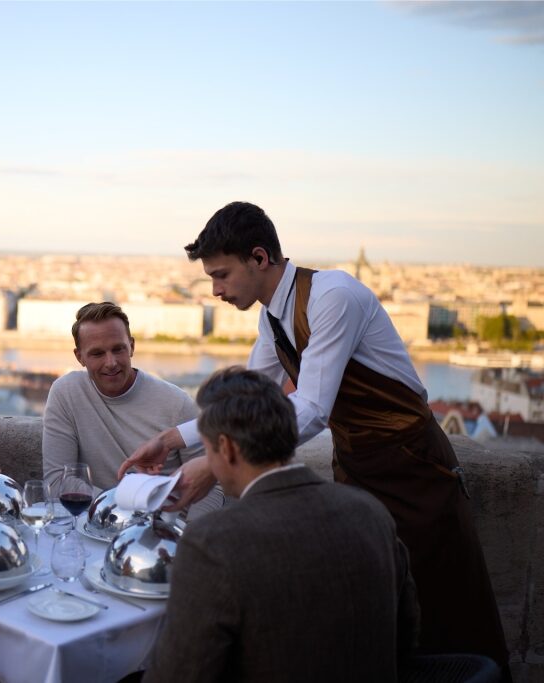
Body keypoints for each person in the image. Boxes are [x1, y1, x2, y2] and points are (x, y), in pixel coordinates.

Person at [121, 201, 508, 671]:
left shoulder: (333, 296)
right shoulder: (272, 318)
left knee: (440, 605)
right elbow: (248, 396)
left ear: (259, 258)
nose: (216, 290)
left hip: (411, 468)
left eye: (221, 275)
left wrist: (215, 462)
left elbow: (310, 409)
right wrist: (173, 440)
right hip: (359, 465)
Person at [144, 367, 420, 683]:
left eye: (206, 450)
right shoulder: (370, 511)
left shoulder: (213, 543)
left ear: (228, 448)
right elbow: (406, 636)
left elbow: (179, 675)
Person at [42, 302, 222, 515]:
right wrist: (121, 509)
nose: (111, 363)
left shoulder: (176, 403)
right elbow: (58, 480)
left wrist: (191, 539)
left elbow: (211, 486)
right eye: (97, 354)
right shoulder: (66, 392)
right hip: (93, 523)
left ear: (132, 346)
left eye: (118, 349)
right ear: (79, 357)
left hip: (162, 531)